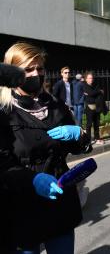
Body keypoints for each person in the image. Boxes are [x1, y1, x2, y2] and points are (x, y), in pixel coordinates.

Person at [0, 42, 91, 253]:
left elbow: (79, 148)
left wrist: (80, 135)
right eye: (28, 69)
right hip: (21, 206)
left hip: (59, 202)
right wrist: (33, 179)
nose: (35, 74)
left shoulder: (55, 105)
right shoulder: (3, 112)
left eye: (39, 68)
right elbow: (2, 164)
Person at [83, 71, 104, 145]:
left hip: (97, 106)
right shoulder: (84, 85)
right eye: (89, 78)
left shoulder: (95, 85)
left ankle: (97, 138)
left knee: (96, 123)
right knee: (89, 124)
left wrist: (94, 93)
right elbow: (90, 93)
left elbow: (92, 94)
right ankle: (88, 139)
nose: (91, 79)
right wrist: (98, 92)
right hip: (89, 107)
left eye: (92, 78)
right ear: (86, 79)